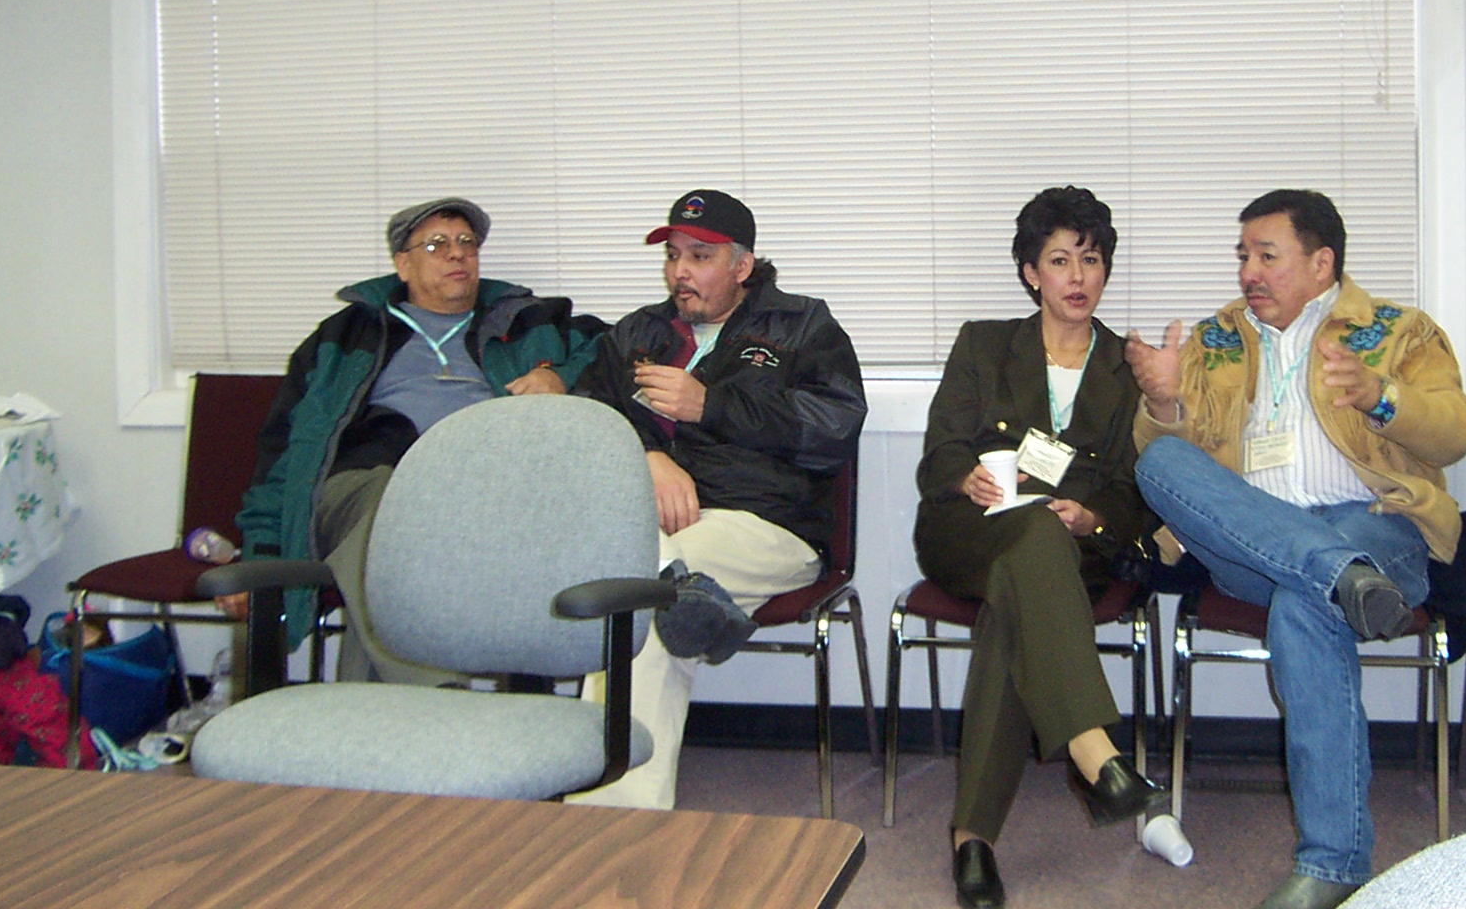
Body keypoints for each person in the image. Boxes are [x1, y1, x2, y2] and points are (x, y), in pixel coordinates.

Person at [1125, 189, 1466, 909]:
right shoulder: (1215, 339)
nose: (1248, 272)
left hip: (1375, 525)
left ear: (1322, 263)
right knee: (1159, 463)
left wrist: (1381, 395)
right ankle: (1337, 574)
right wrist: (1163, 403)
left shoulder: (1399, 332)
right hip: (1253, 537)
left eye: (1266, 255)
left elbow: (1455, 432)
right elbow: (1171, 458)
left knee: (1303, 607)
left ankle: (1333, 862)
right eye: (1243, 256)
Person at [570, 189, 867, 810]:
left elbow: (834, 428)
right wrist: (646, 456)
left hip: (766, 524)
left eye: (700, 257)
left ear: (742, 265)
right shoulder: (637, 334)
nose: (680, 271)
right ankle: (689, 596)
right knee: (645, 596)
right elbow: (586, 416)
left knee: (637, 602)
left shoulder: (803, 325)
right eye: (673, 255)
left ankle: (611, 821)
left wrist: (712, 405)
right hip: (653, 526)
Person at [224, 197, 605, 682]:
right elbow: (283, 453)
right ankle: (435, 686)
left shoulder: (528, 323)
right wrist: (259, 552)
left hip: (480, 494)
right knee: (390, 507)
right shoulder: (343, 338)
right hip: (362, 488)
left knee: (394, 552)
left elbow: (618, 350)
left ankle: (380, 720)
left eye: (466, 242)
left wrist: (559, 376)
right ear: (402, 265)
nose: (457, 253)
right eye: (436, 244)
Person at [916, 187, 1166, 909]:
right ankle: (1095, 751)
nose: (1078, 277)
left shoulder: (1127, 367)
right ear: (1031, 273)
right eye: (1060, 261)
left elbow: (1131, 488)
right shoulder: (984, 344)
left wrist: (1091, 518)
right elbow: (937, 457)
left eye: (1091, 260)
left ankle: (972, 839)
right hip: (970, 532)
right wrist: (965, 476)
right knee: (1027, 539)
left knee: (1015, 606)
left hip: (1069, 552)